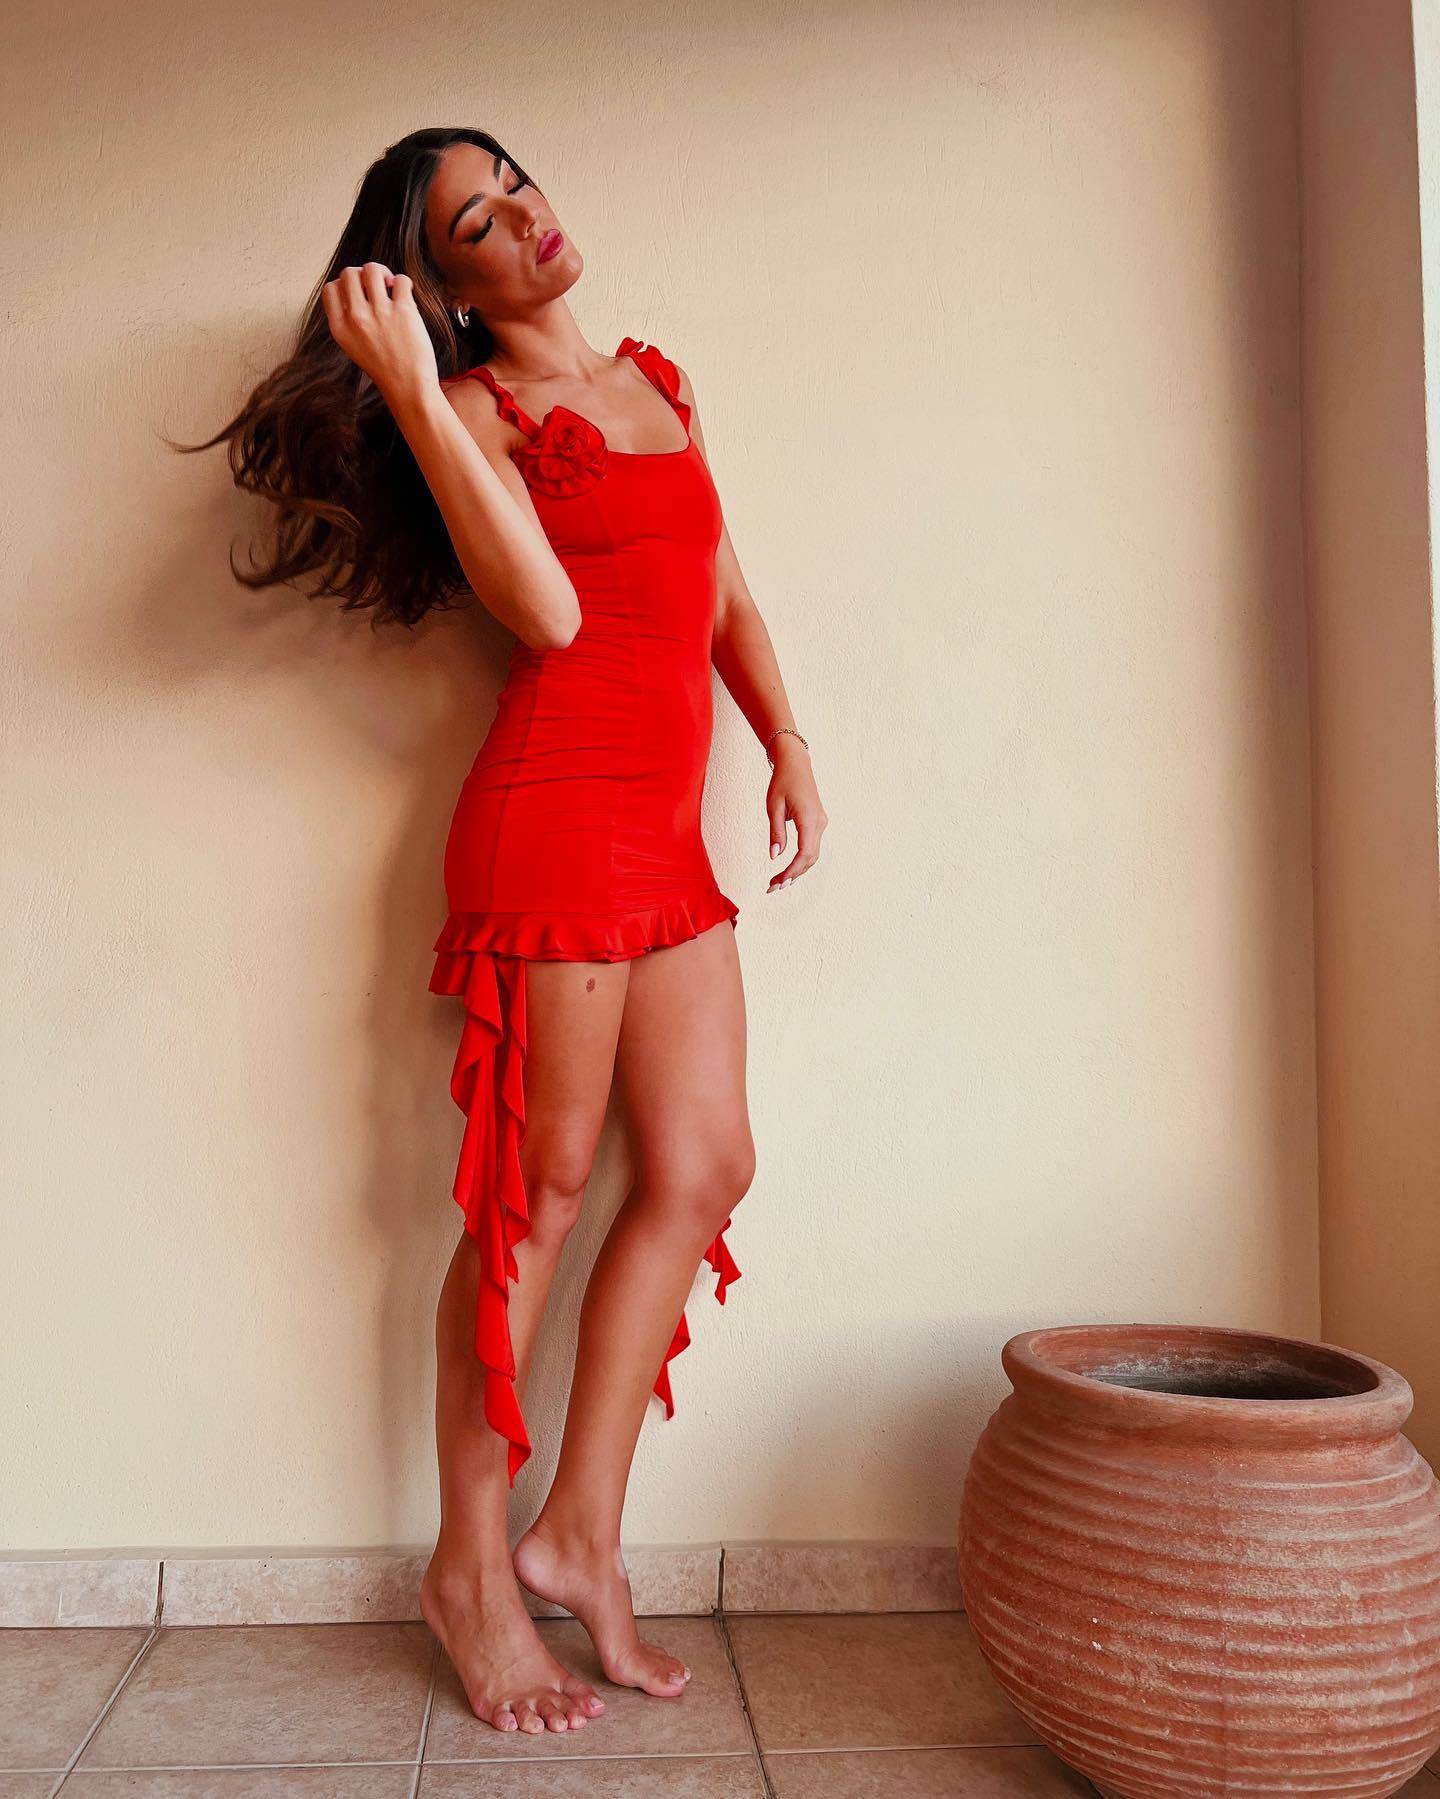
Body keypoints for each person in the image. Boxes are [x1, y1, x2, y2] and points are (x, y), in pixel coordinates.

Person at [174, 127, 827, 1739]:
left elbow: (722, 587)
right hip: (552, 822)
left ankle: (578, 1534)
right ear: (446, 282)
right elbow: (545, 613)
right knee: (536, 1195)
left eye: (517, 184)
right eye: (478, 221)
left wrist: (790, 741)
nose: (526, 218)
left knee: (704, 1164)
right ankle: (470, 1572)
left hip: (661, 836)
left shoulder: (657, 381)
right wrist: (410, 385)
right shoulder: (473, 414)